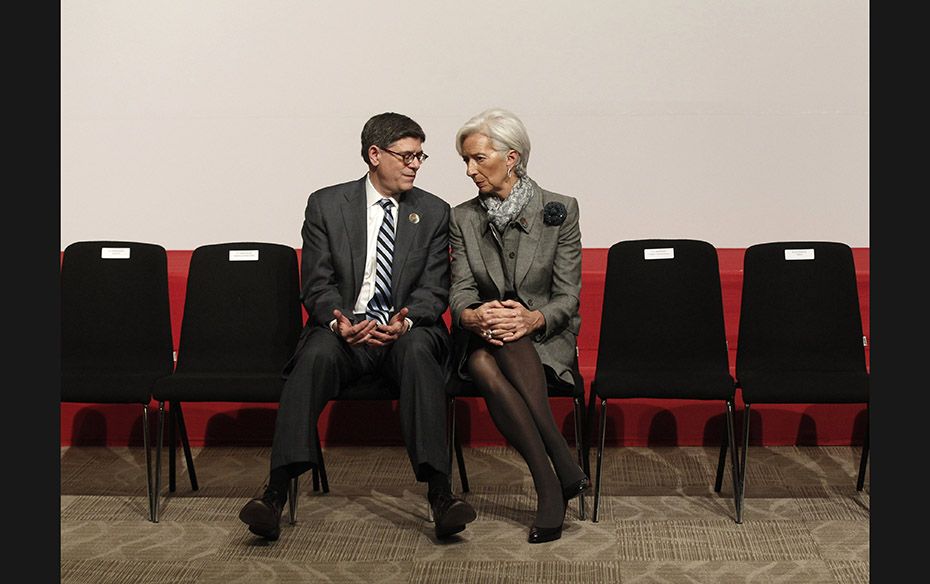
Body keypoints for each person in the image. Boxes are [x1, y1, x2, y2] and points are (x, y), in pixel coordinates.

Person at [238, 112, 476, 542]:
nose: (415, 164)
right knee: (312, 356)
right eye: (406, 155)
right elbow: (317, 281)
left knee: (421, 352)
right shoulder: (327, 205)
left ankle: (441, 494)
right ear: (373, 155)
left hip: (405, 331)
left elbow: (434, 288)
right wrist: (337, 320)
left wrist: (406, 321)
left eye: (420, 156)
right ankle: (274, 492)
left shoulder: (434, 211)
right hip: (345, 332)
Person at [448, 108, 589, 543]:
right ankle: (557, 472)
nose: (470, 170)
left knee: (499, 355)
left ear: (511, 158)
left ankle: (551, 483)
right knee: (489, 359)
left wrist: (533, 318)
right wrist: (473, 315)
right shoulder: (462, 218)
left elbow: (568, 296)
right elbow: (460, 292)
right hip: (484, 336)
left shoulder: (560, 210)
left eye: (478, 159)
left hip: (546, 339)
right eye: (466, 161)